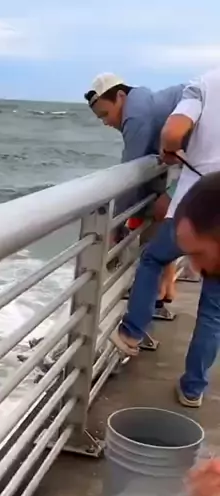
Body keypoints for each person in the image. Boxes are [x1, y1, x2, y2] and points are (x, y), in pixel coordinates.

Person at [110, 66, 220, 408]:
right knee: (214, 310)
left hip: (198, 204)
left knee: (154, 257)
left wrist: (170, 152)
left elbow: (173, 132)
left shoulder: (206, 83)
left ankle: (132, 331)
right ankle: (193, 388)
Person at [84, 73, 186, 319]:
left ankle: (146, 308)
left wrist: (115, 225)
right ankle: (161, 291)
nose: (106, 122)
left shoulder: (136, 115)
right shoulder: (145, 103)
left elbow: (130, 175)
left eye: (105, 114)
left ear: (121, 96)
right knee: (162, 212)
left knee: (162, 211)